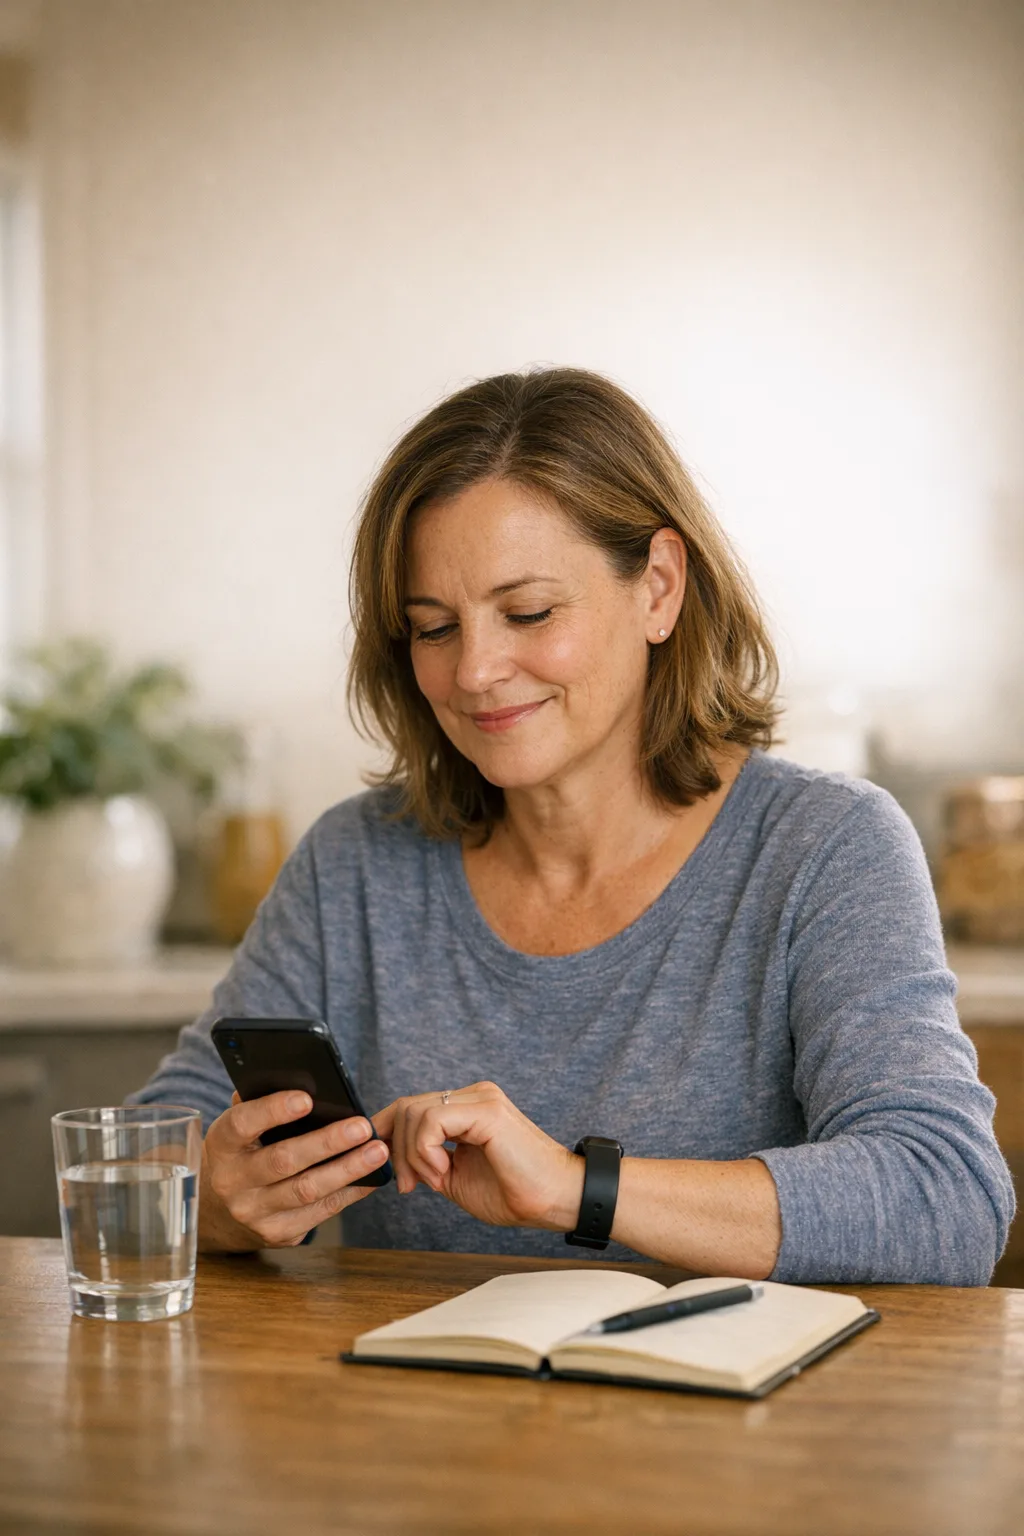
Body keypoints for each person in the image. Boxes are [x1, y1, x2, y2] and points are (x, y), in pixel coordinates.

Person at [129, 367, 1013, 1283]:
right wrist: (216, 1199)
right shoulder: (353, 865)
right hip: (415, 1420)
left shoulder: (826, 847)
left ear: (659, 588)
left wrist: (574, 1188)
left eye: (529, 612)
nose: (474, 671)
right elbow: (145, 1155)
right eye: (433, 628)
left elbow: (944, 1199)